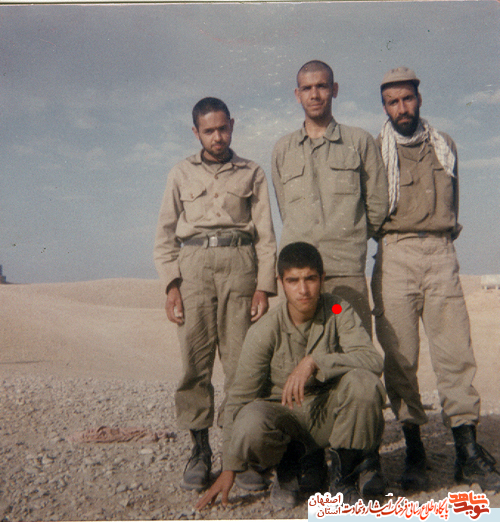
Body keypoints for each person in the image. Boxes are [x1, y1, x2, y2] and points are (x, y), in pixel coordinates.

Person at [371, 66, 500, 492]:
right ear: (384, 107)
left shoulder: (445, 146)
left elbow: (453, 205)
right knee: (400, 357)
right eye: (393, 102)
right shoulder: (375, 152)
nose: (401, 108)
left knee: (455, 353)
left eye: (407, 98)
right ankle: (415, 450)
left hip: (441, 253)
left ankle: (467, 450)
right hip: (395, 254)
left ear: (419, 99)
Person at [195, 242, 386, 511]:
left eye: (310, 279)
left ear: (322, 278)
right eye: (293, 281)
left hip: (327, 414)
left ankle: (344, 475)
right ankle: (288, 466)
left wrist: (315, 362)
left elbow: (372, 360)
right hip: (287, 417)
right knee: (249, 422)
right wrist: (229, 467)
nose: (303, 290)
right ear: (280, 283)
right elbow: (239, 398)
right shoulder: (265, 329)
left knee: (365, 384)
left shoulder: (336, 310)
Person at [154, 97, 277, 491]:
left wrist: (264, 286)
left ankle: (239, 454)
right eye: (209, 131)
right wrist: (172, 285)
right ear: (196, 132)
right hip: (194, 267)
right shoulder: (180, 173)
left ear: (232, 125)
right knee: (195, 362)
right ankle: (200, 451)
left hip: (240, 265)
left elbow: (266, 235)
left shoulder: (252, 172)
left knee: (242, 366)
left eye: (223, 128)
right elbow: (164, 234)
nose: (217, 137)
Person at [272, 60, 389, 336]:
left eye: (322, 86)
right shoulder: (283, 149)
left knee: (351, 343)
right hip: (299, 278)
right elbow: (285, 209)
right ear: (297, 94)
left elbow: (378, 206)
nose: (314, 95)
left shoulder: (359, 142)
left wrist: (349, 238)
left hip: (344, 274)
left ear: (334, 89)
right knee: (300, 347)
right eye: (307, 88)